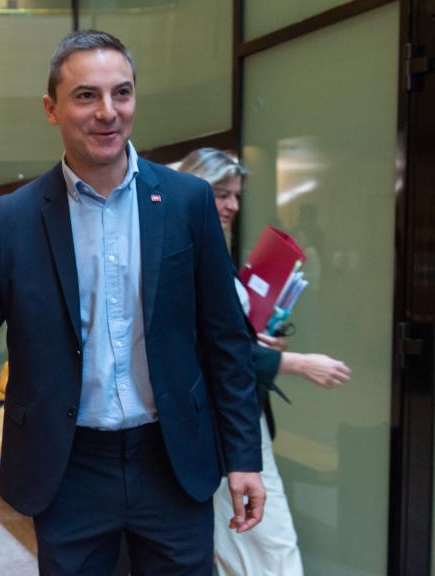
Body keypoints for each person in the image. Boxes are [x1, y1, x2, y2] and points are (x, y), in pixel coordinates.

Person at [0, 30, 264, 573]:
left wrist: (244, 457)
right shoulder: (14, 220)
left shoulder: (186, 202)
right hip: (69, 468)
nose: (108, 112)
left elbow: (225, 340)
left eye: (122, 93)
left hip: (173, 461)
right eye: (86, 95)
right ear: (51, 109)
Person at [177, 147, 351, 576]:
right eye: (221, 194)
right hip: (220, 426)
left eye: (235, 195)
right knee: (270, 550)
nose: (232, 205)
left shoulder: (209, 245)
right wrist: (297, 363)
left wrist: (252, 338)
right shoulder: (182, 251)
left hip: (235, 420)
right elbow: (203, 347)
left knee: (243, 547)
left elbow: (222, 338)